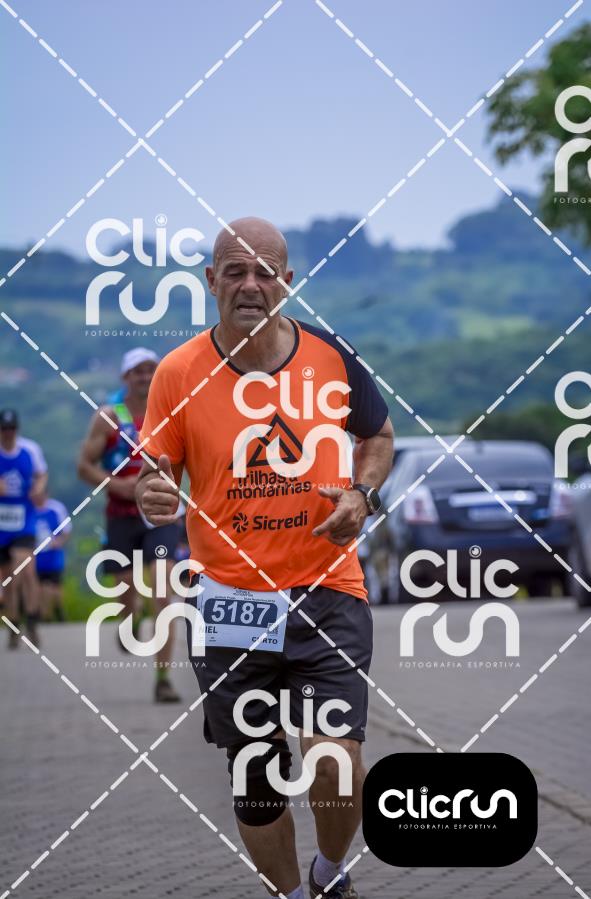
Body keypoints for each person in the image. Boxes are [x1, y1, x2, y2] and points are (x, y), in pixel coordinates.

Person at [136, 218, 394, 899]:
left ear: (287, 282)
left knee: (335, 758)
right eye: (235, 271)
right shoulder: (178, 373)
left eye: (265, 272)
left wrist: (362, 494)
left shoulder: (331, 357)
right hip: (229, 601)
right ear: (210, 281)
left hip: (327, 587)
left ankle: (329, 871)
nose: (250, 284)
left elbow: (378, 436)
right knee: (256, 777)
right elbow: (155, 472)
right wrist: (152, 492)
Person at [77, 348, 182, 703]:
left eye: (151, 370)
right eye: (138, 371)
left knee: (163, 593)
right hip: (122, 515)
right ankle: (130, 619)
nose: (145, 377)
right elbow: (84, 466)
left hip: (162, 515)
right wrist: (115, 485)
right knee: (127, 592)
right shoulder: (109, 418)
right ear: (126, 377)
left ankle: (163, 679)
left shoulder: (169, 413)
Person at [0, 409, 47, 648]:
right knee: (8, 578)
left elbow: (41, 474)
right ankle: (13, 621)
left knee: (26, 569)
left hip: (24, 518)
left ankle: (32, 618)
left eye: (12, 429)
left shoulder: (30, 450)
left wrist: (38, 488)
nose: (8, 433)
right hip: (2, 523)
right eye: (4, 429)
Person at [34, 490, 70, 621]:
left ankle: (58, 611)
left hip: (53, 554)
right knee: (38, 585)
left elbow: (66, 530)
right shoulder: (30, 508)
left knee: (55, 584)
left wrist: (59, 542)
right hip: (36, 554)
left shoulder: (56, 508)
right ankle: (41, 615)